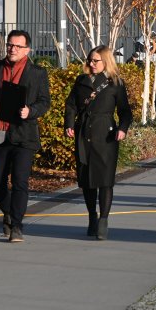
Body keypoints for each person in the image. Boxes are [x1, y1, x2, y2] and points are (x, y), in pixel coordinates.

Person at [0, 30, 51, 243]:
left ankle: (16, 226)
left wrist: (30, 111)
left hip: (23, 134)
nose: (12, 49)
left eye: (17, 46)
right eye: (9, 45)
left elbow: (45, 102)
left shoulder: (37, 73)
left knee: (20, 182)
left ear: (27, 50)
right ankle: (8, 212)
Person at [64, 45, 133, 240]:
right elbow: (71, 105)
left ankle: (103, 219)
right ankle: (92, 216)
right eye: (90, 60)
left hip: (106, 135)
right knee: (86, 180)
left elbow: (125, 111)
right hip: (84, 133)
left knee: (105, 179)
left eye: (96, 60)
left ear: (106, 61)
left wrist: (122, 129)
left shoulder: (115, 83)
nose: (92, 63)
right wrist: (69, 123)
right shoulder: (81, 81)